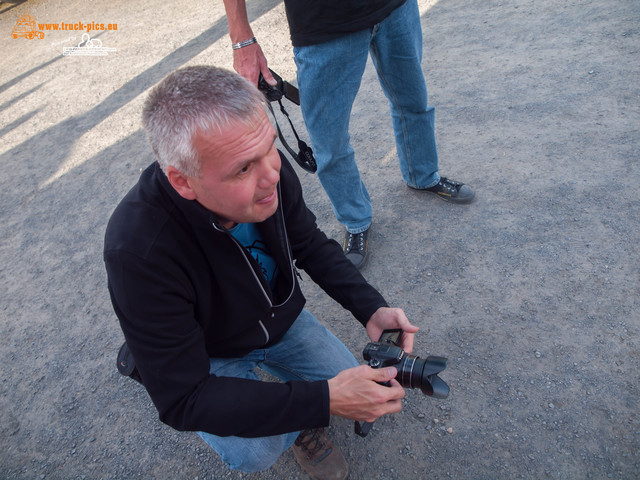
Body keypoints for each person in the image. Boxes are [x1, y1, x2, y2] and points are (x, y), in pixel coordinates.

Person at [103, 65, 421, 480]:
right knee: (259, 450)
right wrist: (320, 401)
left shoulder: (265, 169)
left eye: (270, 146)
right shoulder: (137, 249)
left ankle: (272, 404)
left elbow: (307, 243)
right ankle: (153, 356)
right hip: (208, 346)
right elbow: (184, 401)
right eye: (242, 169)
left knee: (345, 374)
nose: (272, 174)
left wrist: (370, 307)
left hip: (275, 318)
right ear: (183, 181)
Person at [222, 0, 475, 268]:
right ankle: (356, 220)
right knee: (329, 139)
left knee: (414, 102)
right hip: (323, 23)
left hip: (396, 8)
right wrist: (241, 37)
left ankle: (423, 175)